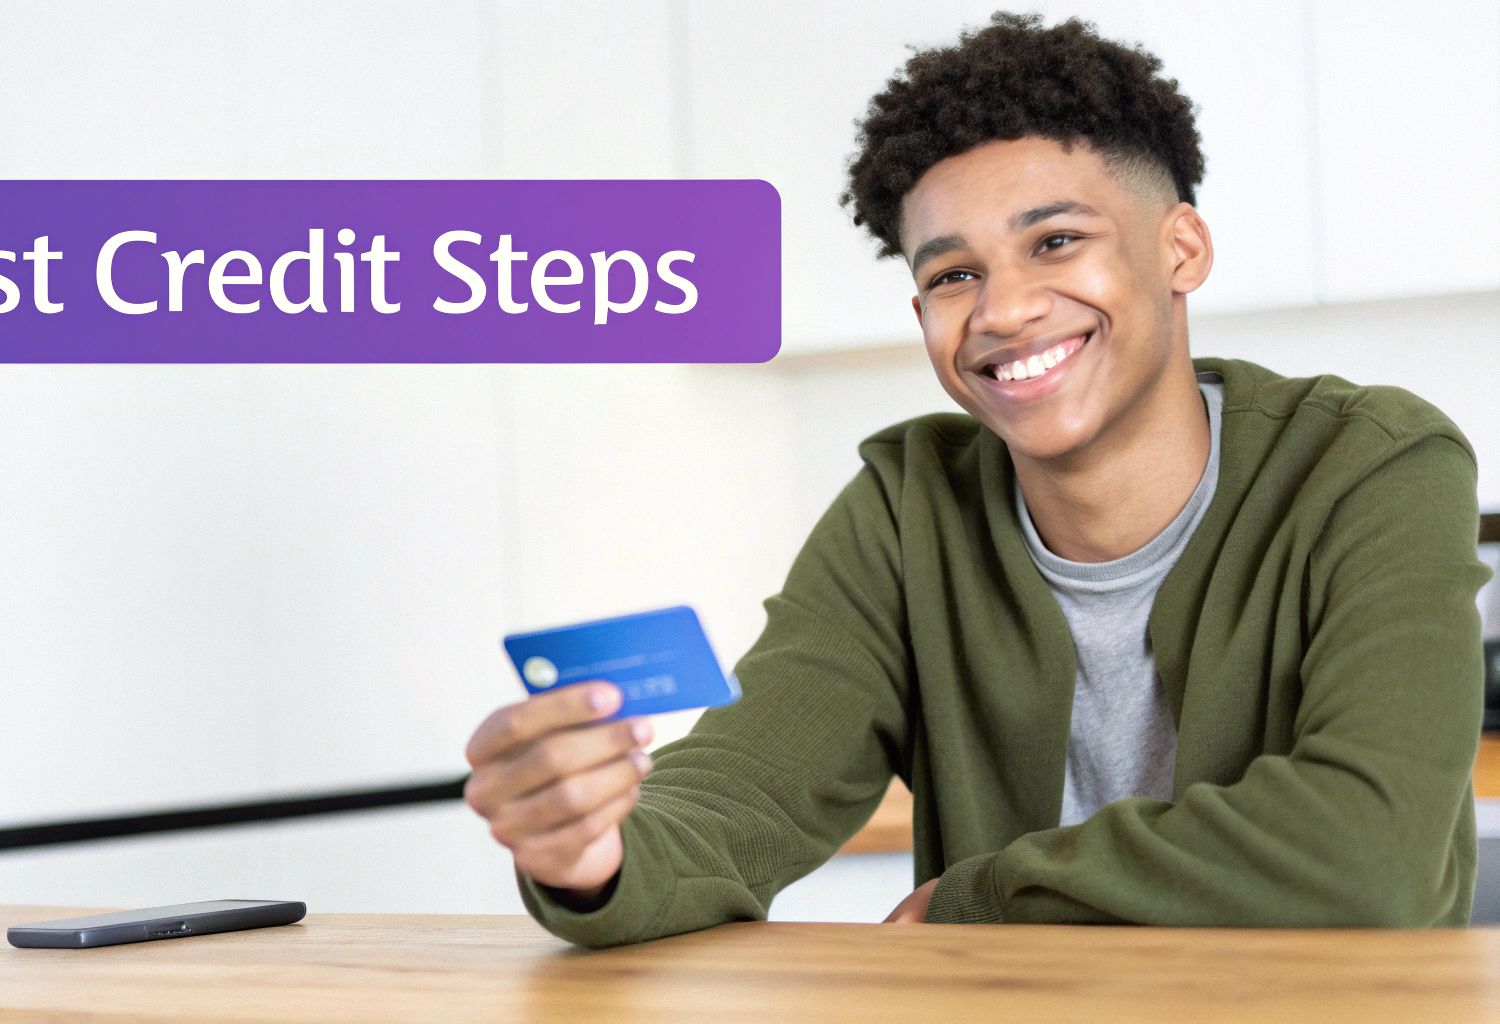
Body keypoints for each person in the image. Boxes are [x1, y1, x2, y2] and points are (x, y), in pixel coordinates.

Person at [462, 10, 1494, 946]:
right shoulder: (906, 511)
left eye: (1054, 241)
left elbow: (1375, 854)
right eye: (951, 275)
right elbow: (745, 789)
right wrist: (592, 854)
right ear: (920, 316)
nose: (999, 311)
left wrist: (986, 892)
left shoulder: (1369, 464)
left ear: (1179, 247)